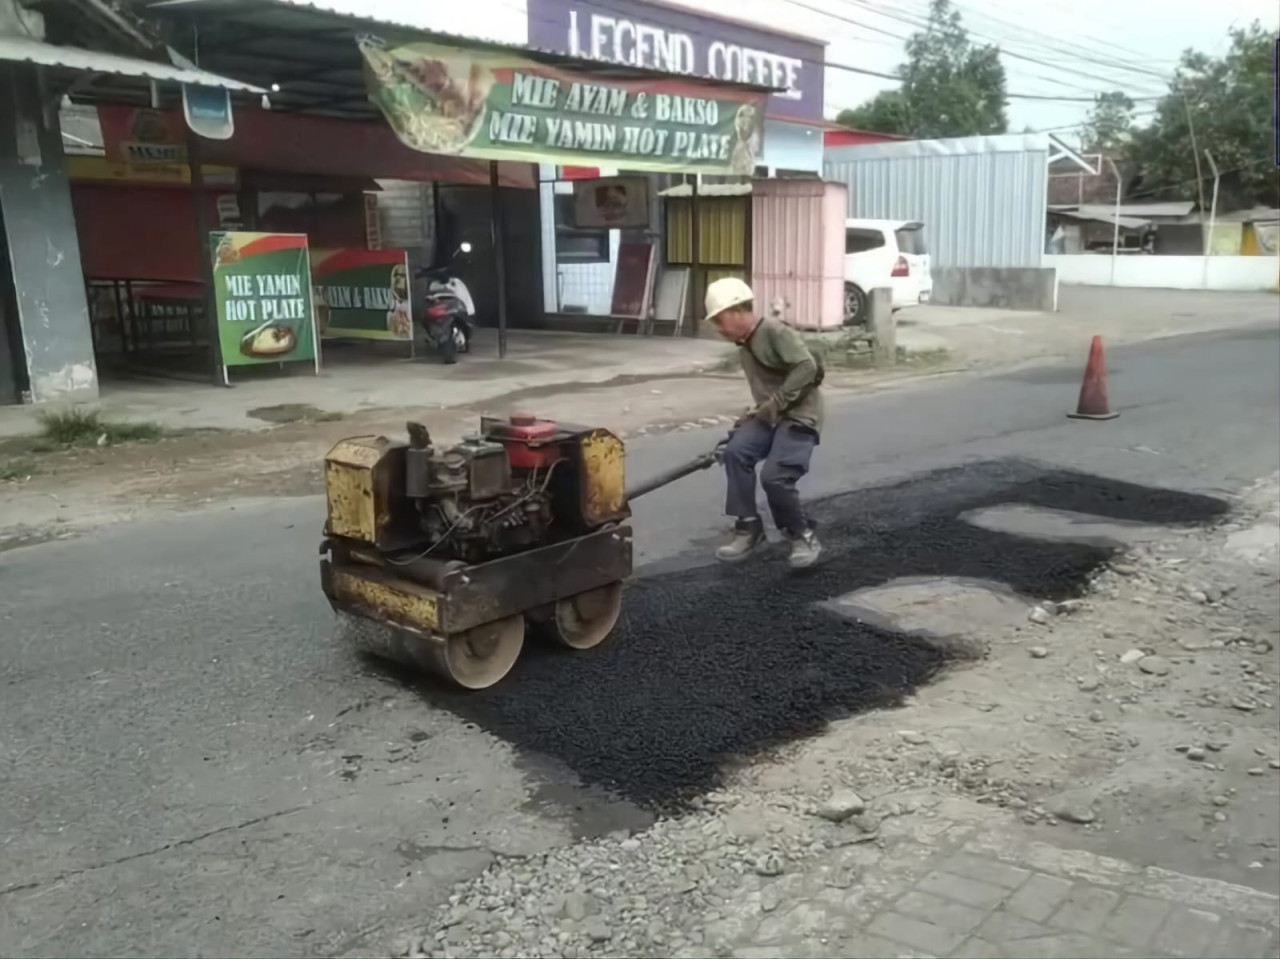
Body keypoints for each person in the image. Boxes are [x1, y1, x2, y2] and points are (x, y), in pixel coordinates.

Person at [704, 277, 824, 569]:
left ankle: (802, 535)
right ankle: (748, 527)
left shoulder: (773, 331)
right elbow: (766, 390)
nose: (718, 329)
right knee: (735, 453)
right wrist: (747, 420)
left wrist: (778, 403)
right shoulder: (745, 345)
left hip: (799, 415)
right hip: (769, 416)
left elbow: (806, 366)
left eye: (719, 321)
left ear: (736, 312)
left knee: (775, 477)